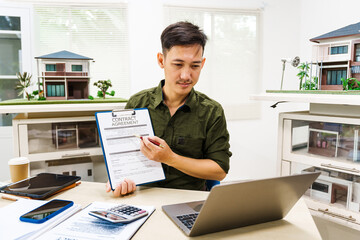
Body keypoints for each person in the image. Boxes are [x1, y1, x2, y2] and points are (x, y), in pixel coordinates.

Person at [106, 21, 231, 196]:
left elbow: (219, 170)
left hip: (189, 201)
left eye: (195, 66)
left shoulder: (211, 111)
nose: (186, 75)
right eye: (178, 64)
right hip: (143, 198)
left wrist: (170, 159)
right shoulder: (138, 103)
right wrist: (120, 179)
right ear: (161, 60)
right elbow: (123, 159)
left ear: (202, 64)